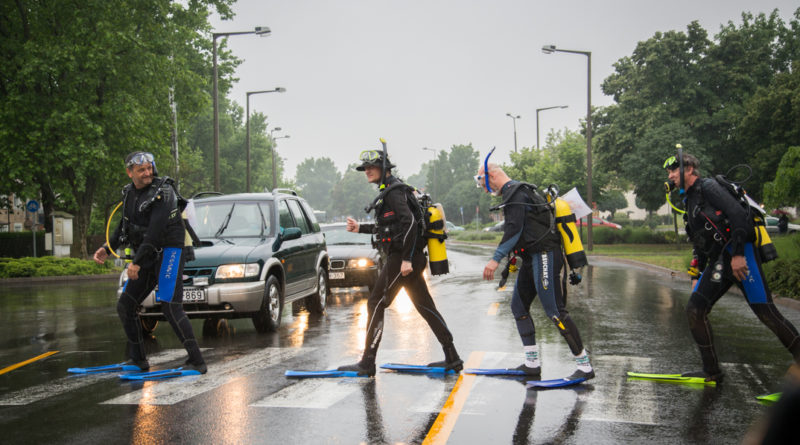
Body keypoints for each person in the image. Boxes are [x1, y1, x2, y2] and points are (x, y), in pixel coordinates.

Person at [664, 152, 799, 382]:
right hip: (720, 262)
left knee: (767, 314)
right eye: (668, 172)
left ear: (689, 169)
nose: (670, 176)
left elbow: (739, 216)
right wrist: (697, 274)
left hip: (740, 255)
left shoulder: (708, 187)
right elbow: (700, 241)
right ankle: (712, 372)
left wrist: (737, 255)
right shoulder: (690, 199)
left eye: (673, 170)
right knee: (695, 311)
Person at [337, 149, 462, 376]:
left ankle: (367, 362)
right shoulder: (391, 191)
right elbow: (390, 228)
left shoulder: (394, 192)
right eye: (365, 167)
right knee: (425, 307)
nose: (367, 171)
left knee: (375, 303)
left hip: (402, 259)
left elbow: (410, 224)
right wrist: (360, 228)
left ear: (385, 169)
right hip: (409, 257)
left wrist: (405, 259)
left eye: (371, 167)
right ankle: (452, 356)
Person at [477, 163, 594, 381]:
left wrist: (495, 260)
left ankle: (584, 366)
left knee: (555, 311)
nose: (483, 187)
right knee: (518, 306)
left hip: (545, 254)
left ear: (490, 175)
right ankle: (531, 364)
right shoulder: (517, 193)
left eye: (481, 180)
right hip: (531, 257)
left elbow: (514, 230)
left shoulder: (515, 192)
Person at [93, 151, 207, 374]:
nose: (147, 173)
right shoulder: (129, 194)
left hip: (170, 252)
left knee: (170, 306)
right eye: (141, 170)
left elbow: (155, 232)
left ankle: (197, 361)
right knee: (126, 304)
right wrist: (107, 248)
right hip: (148, 254)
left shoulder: (164, 193)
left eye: (149, 168)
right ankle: (138, 360)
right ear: (129, 172)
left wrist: (136, 262)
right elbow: (123, 227)